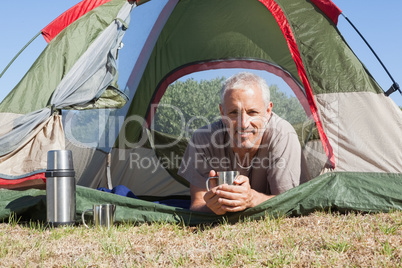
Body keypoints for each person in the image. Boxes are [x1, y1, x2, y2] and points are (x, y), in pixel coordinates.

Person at [178, 72, 309, 215]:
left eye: (252, 112)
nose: (243, 124)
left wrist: (251, 199)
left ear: (268, 111)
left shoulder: (282, 134)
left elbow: (289, 203)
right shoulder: (202, 139)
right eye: (234, 113)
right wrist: (212, 206)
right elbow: (196, 205)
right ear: (222, 112)